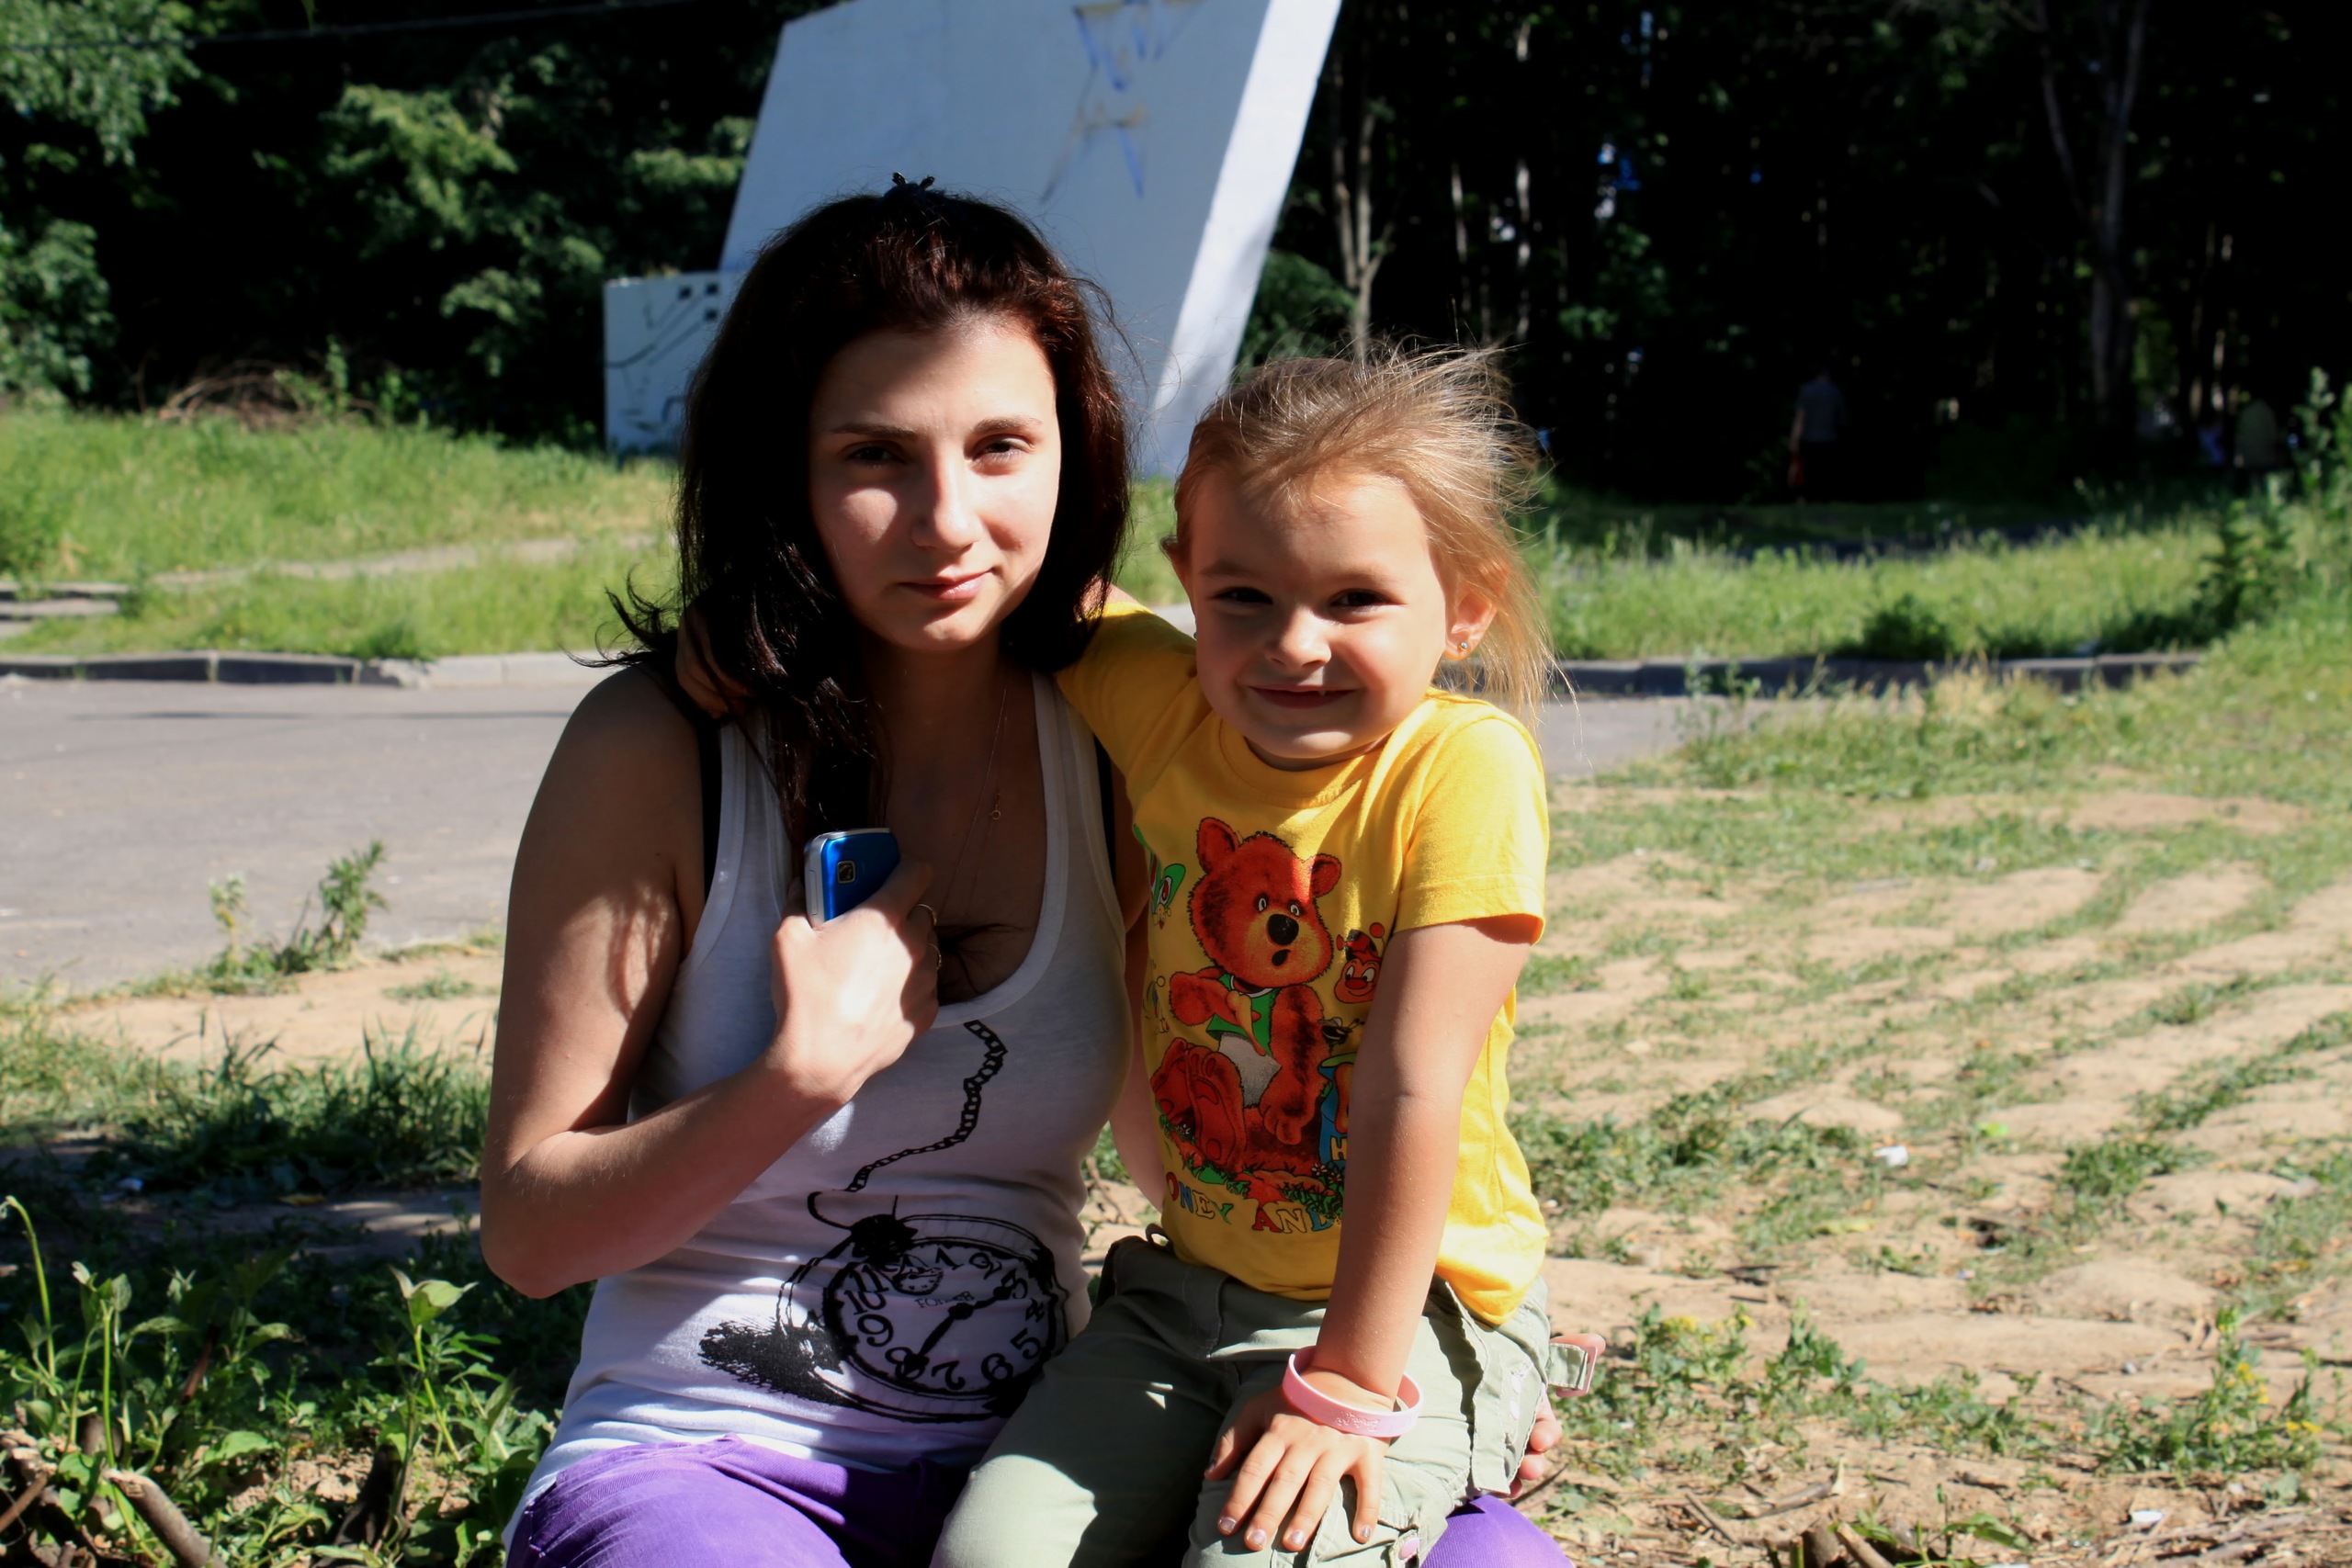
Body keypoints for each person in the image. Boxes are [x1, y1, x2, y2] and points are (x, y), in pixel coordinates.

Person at [482, 184, 1567, 1568]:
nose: (947, 520)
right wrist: (794, 1079)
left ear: (1075, 455)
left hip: (1048, 1434)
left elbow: (1374, 1079)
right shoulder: (659, 745)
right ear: (783, 468)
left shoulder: (1144, 729)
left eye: (1001, 446)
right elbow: (529, 1236)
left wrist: (1455, 1358)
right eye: (874, 455)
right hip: (717, 1456)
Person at [934, 349, 1571, 1568]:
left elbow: (1412, 1086)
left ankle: (1475, 1454)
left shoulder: (1459, 768)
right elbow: (1007, 571)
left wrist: (1350, 1385)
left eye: (1356, 599)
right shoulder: (1167, 704)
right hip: (1185, 1295)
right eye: (1242, 596)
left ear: (1467, 605)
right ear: (1186, 580)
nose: (1292, 644)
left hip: (1410, 1308)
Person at [1790, 365, 1846, 501]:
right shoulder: (1835, 391)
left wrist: (1795, 439)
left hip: (1809, 438)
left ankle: (1809, 499)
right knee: (1825, 473)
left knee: (1809, 472)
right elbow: (1842, 420)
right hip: (1829, 438)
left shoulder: (1807, 390)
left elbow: (1800, 418)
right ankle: (1824, 499)